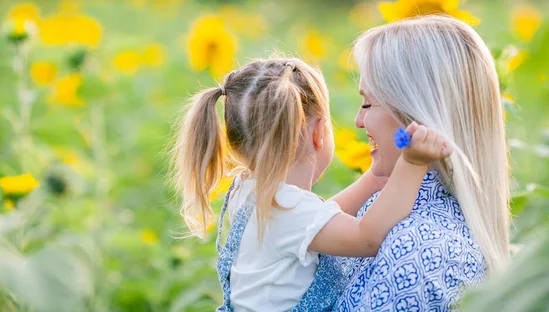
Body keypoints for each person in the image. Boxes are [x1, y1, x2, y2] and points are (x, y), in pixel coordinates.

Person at [172, 57, 452, 311]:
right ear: (318, 133)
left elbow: (319, 221)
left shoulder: (250, 191)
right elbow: (367, 238)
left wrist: (373, 180)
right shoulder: (287, 209)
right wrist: (412, 164)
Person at [336, 15, 511, 311]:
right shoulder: (395, 214)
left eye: (368, 103)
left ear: (416, 114)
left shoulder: (415, 248)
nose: (358, 120)